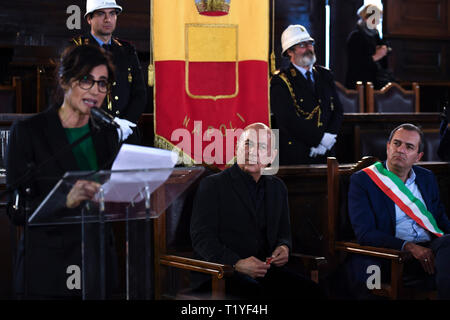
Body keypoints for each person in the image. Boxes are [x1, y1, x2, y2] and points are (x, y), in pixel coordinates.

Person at [6, 44, 119, 299]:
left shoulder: (108, 134)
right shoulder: (28, 133)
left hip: (97, 263)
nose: (95, 91)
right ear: (65, 81)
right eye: (87, 80)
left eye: (102, 83)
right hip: (48, 267)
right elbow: (16, 210)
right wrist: (63, 200)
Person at [190, 123, 324, 299]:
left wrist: (284, 247)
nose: (252, 152)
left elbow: (284, 234)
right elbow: (202, 239)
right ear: (237, 148)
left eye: (261, 146)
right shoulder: (213, 185)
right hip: (223, 273)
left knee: (314, 293)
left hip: (266, 272)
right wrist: (236, 263)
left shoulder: (278, 188)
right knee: (256, 294)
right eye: (247, 144)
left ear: (271, 155)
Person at [348, 123, 450, 299]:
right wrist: (408, 247)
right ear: (388, 147)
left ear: (418, 156)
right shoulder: (363, 181)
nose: (401, 150)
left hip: (431, 251)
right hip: (392, 254)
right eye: (397, 143)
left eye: (409, 147)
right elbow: (365, 233)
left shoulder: (427, 178)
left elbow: (440, 219)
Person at [72, 0, 147, 144]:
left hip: (125, 132)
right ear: (89, 19)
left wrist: (125, 123)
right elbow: (73, 95)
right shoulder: (77, 48)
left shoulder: (127, 49)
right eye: (101, 14)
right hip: (90, 132)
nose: (108, 19)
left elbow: (140, 93)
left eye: (112, 14)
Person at [270, 24, 343, 165]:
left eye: (310, 44)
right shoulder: (281, 81)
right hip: (298, 154)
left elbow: (338, 111)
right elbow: (287, 121)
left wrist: (327, 139)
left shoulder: (325, 75)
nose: (309, 49)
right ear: (290, 52)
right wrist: (318, 140)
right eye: (302, 45)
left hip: (327, 152)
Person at [345, 3, 395, 90]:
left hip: (375, 82)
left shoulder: (375, 35)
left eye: (379, 19)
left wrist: (385, 50)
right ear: (366, 18)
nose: (378, 22)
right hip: (360, 84)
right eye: (376, 19)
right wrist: (376, 56)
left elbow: (385, 52)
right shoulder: (356, 36)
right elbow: (355, 63)